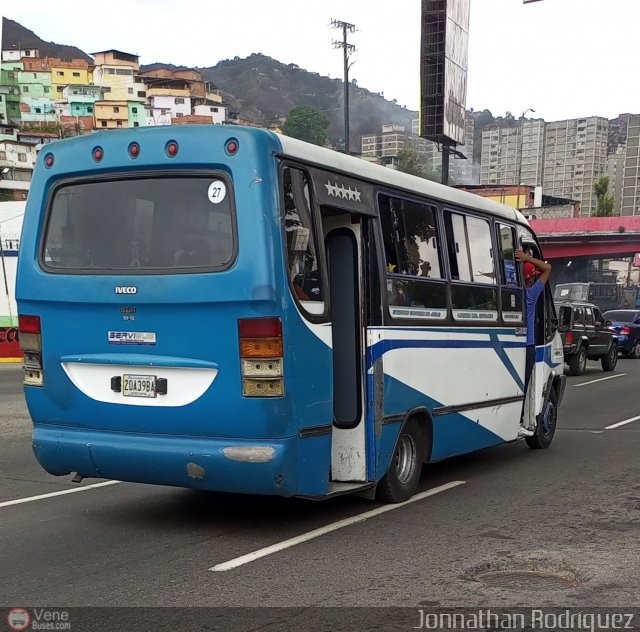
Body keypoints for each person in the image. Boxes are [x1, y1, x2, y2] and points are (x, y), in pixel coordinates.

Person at [514, 249, 552, 435]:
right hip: (527, 346)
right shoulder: (530, 294)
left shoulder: (512, 294)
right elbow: (547, 268)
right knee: (524, 384)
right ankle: (520, 420)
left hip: (511, 344)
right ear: (530, 279)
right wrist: (527, 258)